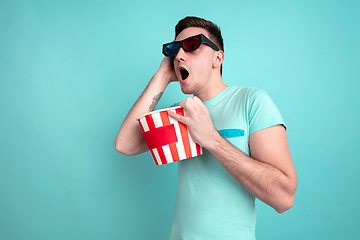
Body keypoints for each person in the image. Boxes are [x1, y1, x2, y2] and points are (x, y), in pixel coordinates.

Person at [115, 16, 297, 239]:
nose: (179, 55)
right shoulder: (178, 113)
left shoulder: (251, 101)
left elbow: (284, 198)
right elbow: (126, 144)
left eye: (192, 46)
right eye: (174, 51)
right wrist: (161, 76)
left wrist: (210, 137)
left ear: (217, 58)